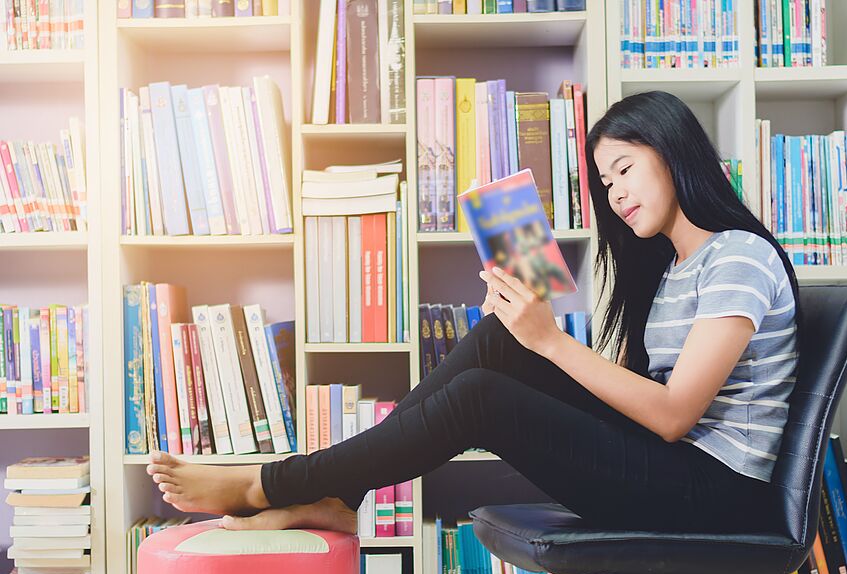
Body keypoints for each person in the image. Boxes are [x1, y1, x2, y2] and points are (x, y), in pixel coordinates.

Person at [147, 91, 799, 536]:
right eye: (604, 183)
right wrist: (529, 334)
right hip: (674, 471)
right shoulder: (674, 269)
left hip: (714, 496)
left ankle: (274, 483)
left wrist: (551, 342)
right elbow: (646, 407)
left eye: (624, 169)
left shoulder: (737, 256)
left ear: (673, 150)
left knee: (485, 392)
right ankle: (340, 494)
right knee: (497, 340)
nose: (616, 193)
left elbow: (674, 413)